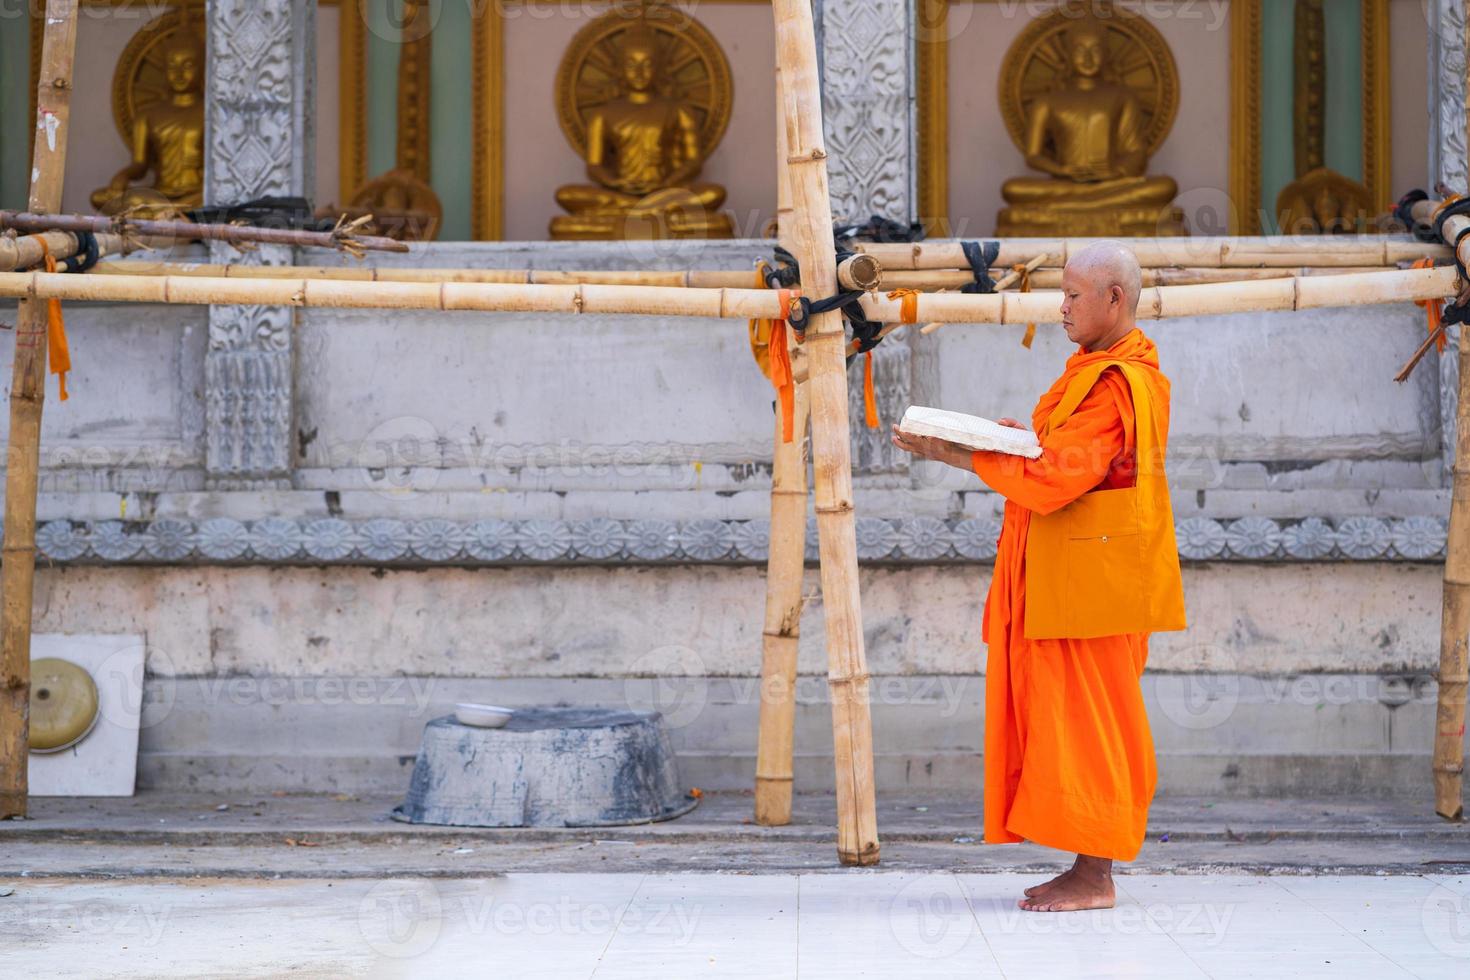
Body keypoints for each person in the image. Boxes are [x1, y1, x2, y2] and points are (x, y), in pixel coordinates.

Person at [891, 241, 1186, 912]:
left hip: (1092, 589)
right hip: (1070, 577)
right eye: (1062, 294)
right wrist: (1006, 441)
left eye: (1074, 295)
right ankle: (1085, 867)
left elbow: (1056, 477)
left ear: (1115, 299)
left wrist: (960, 455)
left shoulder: (1120, 384)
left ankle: (1096, 875)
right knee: (1068, 720)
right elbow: (1061, 454)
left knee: (1092, 725)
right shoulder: (1092, 369)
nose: (1062, 308)